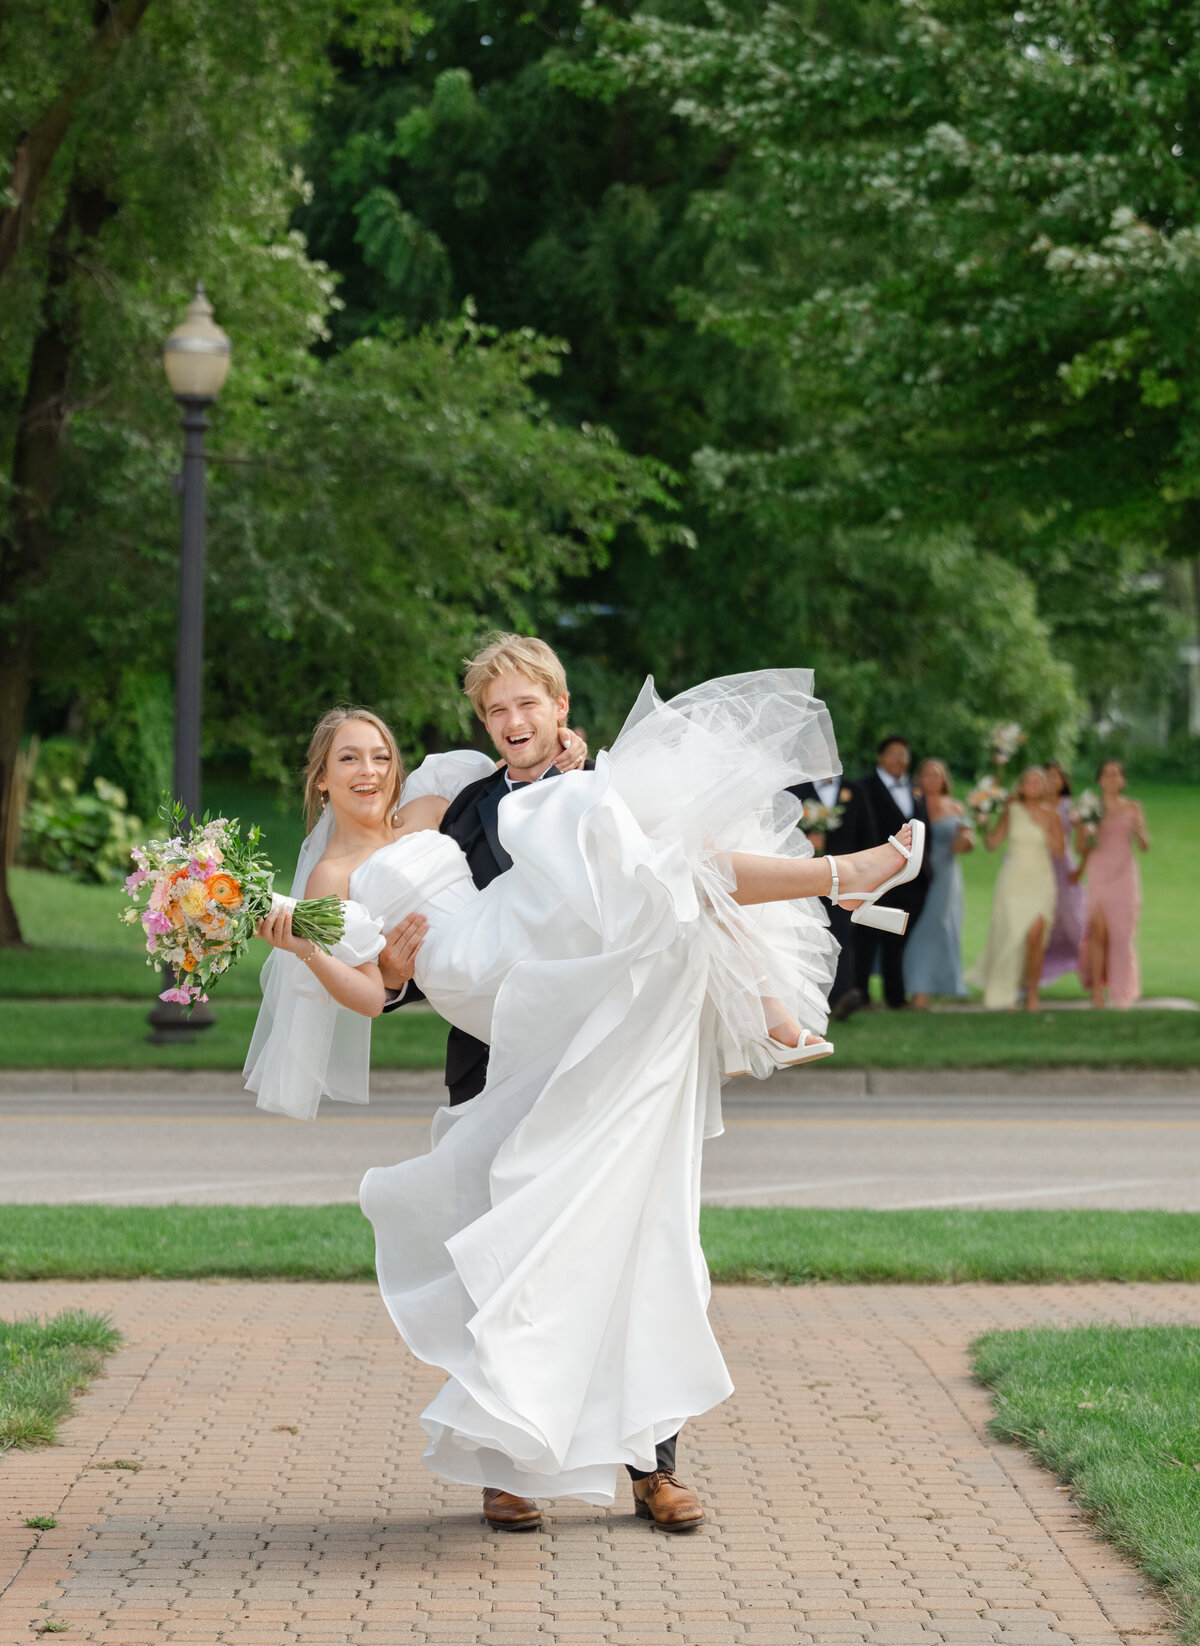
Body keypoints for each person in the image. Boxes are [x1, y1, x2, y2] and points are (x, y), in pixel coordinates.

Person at [246, 666, 924, 1534]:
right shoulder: (339, 876)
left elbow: (552, 798)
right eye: (350, 760)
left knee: (641, 1236)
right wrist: (333, 955)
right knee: (510, 1264)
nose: (371, 770)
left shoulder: (443, 796)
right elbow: (376, 993)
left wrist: (569, 764)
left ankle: (655, 1468)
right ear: (322, 778)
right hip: (489, 1008)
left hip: (568, 992)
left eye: (379, 753)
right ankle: (510, 1464)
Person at [377, 635, 593, 1107]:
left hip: (594, 1058)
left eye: (527, 704)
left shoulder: (607, 792)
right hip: (484, 1065)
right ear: (484, 721)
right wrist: (393, 980)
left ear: (560, 705)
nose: (513, 721)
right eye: (497, 710)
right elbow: (448, 934)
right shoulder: (462, 814)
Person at [966, 766, 1064, 1010]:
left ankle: (1032, 993)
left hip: (1041, 878)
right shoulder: (1012, 809)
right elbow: (992, 843)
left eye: (1038, 781)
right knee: (1012, 936)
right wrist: (983, 822)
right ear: (1021, 786)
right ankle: (1004, 992)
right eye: (1028, 781)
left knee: (1036, 935)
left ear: (1044, 787)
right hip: (1013, 879)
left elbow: (1060, 851)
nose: (1033, 785)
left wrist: (1043, 823)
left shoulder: (1052, 815)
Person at [855, 735, 932, 1008]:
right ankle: (859, 994)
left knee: (898, 937)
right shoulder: (863, 788)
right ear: (881, 757)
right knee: (867, 935)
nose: (900, 760)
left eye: (904, 754)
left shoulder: (915, 789)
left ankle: (895, 996)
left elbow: (925, 831)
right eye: (894, 754)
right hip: (876, 876)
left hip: (912, 880)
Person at [787, 775, 867, 1020]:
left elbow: (866, 834)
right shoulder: (796, 790)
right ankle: (804, 998)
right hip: (804, 877)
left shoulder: (854, 790)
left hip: (845, 878)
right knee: (805, 935)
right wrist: (804, 838)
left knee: (841, 934)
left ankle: (840, 997)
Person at [1077, 758, 1149, 1009]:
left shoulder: (1133, 807)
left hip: (1124, 876)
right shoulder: (1089, 807)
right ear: (1099, 780)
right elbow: (1081, 847)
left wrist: (1139, 830)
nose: (1111, 779)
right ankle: (1097, 991)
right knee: (1097, 932)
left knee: (1120, 935)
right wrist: (1087, 832)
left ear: (1123, 780)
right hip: (1099, 873)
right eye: (1106, 774)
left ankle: (1121, 993)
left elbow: (1145, 846)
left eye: (1116, 774)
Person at [903, 758, 973, 1007]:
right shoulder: (911, 802)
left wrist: (963, 842)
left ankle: (923, 990)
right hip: (915, 871)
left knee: (936, 927)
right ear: (919, 777)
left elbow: (969, 841)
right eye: (927, 774)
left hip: (945, 874)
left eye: (937, 774)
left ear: (944, 779)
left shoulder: (956, 807)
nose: (932, 779)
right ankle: (911, 986)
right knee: (913, 926)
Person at [1039, 761, 1086, 988]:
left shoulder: (1070, 806)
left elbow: (1086, 838)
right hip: (1038, 867)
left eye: (1056, 777)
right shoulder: (1034, 804)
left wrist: (1082, 867)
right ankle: (1031, 979)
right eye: (1047, 777)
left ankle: (1093, 976)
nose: (1051, 781)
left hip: (1064, 867)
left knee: (1074, 919)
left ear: (1064, 781)